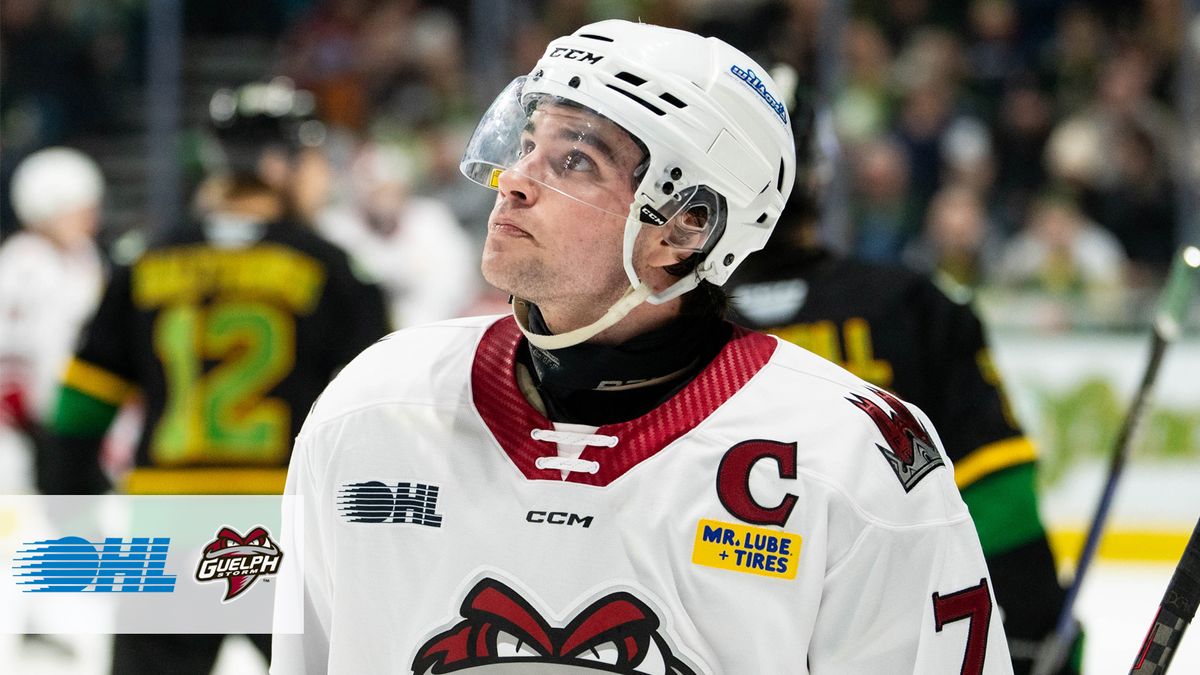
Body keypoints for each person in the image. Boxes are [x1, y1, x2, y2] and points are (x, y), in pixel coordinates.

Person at [272, 20, 1012, 673]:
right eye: (527, 145)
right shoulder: (373, 405)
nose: (514, 180)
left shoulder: (849, 456)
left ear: (688, 224)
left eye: (574, 161)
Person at [39, 79, 390, 675]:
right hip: (286, 527)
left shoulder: (144, 261)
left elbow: (79, 408)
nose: (321, 177)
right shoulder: (333, 270)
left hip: (166, 531)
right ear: (278, 166)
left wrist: (73, 515)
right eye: (312, 160)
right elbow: (381, 417)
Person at [727, 190, 1082, 673]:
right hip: (886, 616)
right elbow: (996, 480)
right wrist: (1032, 620)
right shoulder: (908, 300)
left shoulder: (670, 320)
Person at [0, 147, 107, 496]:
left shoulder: (84, 258)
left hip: (71, 417)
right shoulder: (23, 263)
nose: (91, 220)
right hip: (23, 426)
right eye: (81, 211)